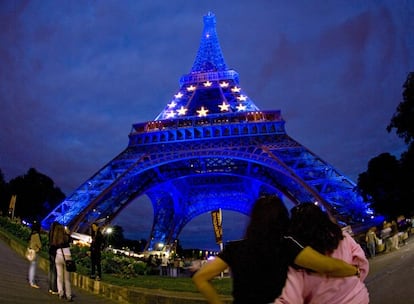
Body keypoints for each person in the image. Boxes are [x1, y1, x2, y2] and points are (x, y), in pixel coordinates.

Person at [192, 196, 360, 304]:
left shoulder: (235, 249)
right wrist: (354, 270)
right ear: (282, 218)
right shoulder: (287, 246)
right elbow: (327, 266)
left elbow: (201, 278)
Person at [275, 203, 369, 304]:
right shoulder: (342, 237)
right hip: (359, 298)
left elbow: (291, 298)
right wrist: (352, 284)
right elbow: (362, 264)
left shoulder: (298, 257)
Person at [52, 224, 73, 301]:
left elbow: (54, 246)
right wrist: (68, 233)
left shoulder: (56, 237)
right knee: (67, 279)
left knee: (59, 276)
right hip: (67, 256)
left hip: (58, 255)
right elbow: (71, 242)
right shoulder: (66, 237)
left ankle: (60, 292)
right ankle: (68, 295)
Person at [28, 221, 42, 288]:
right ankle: (32, 282)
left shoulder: (32, 234)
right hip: (35, 252)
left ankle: (31, 280)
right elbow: (39, 245)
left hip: (31, 251)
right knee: (33, 268)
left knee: (31, 267)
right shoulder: (37, 235)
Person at [48, 221, 59, 294]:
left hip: (51, 252)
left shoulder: (50, 233)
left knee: (51, 271)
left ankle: (50, 288)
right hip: (55, 253)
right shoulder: (57, 235)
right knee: (55, 272)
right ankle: (54, 288)